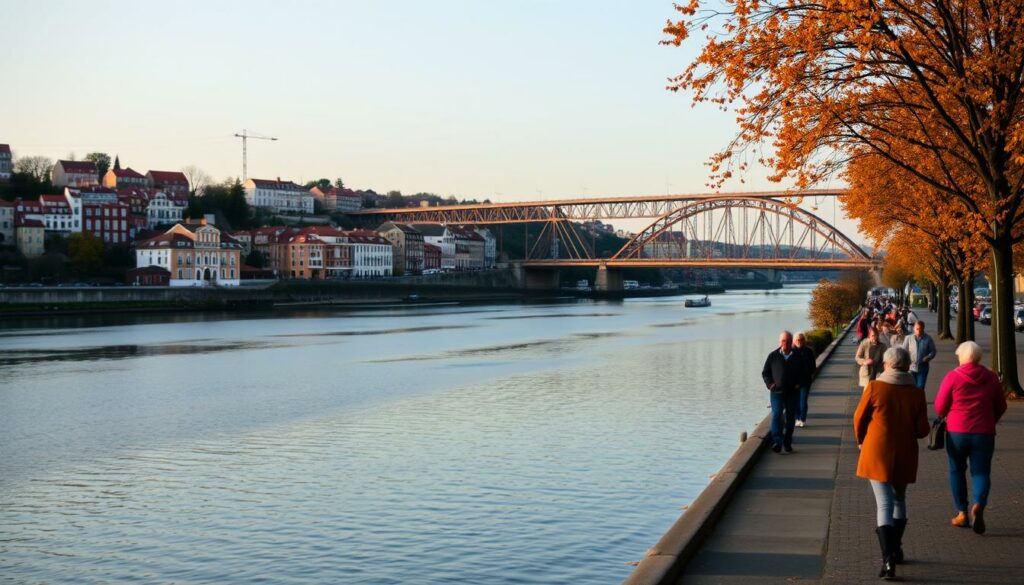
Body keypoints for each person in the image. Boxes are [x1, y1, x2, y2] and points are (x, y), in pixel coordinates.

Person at [854, 347, 930, 580]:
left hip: (877, 452)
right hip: (905, 453)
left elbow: (859, 418)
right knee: (899, 500)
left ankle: (888, 560)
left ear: (887, 365)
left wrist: (861, 441)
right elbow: (922, 430)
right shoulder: (917, 393)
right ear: (907, 366)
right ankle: (895, 549)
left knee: (883, 504)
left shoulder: (875, 387)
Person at [935, 341, 1008, 534]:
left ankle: (962, 513)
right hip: (984, 433)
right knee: (981, 473)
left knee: (956, 471)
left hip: (957, 432)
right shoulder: (991, 378)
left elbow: (940, 407)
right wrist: (991, 420)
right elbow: (1001, 406)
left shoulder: (953, 377)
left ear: (962, 357)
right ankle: (979, 504)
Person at [761, 330, 807, 453]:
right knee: (776, 415)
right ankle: (777, 441)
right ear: (779, 342)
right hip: (776, 392)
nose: (785, 343)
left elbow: (804, 373)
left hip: (792, 392)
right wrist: (770, 384)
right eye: (783, 341)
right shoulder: (773, 356)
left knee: (790, 418)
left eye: (787, 341)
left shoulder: (797, 357)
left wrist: (799, 383)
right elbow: (765, 372)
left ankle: (787, 442)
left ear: (791, 342)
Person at [903, 320, 937, 389]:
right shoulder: (908, 338)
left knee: (920, 386)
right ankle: (913, 399)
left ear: (923, 329)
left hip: (923, 368)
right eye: (917, 329)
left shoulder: (928, 339)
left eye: (920, 329)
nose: (918, 331)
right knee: (911, 387)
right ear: (914, 329)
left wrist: (929, 357)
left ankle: (919, 399)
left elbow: (933, 351)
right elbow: (903, 351)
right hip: (910, 368)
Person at [793, 331, 817, 427]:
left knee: (803, 400)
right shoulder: (791, 352)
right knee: (795, 401)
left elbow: (813, 366)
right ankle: (797, 418)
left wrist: (810, 375)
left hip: (805, 381)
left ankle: (802, 419)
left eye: (801, 340)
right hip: (794, 381)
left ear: (804, 341)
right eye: (797, 340)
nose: (799, 341)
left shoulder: (808, 351)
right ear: (794, 341)